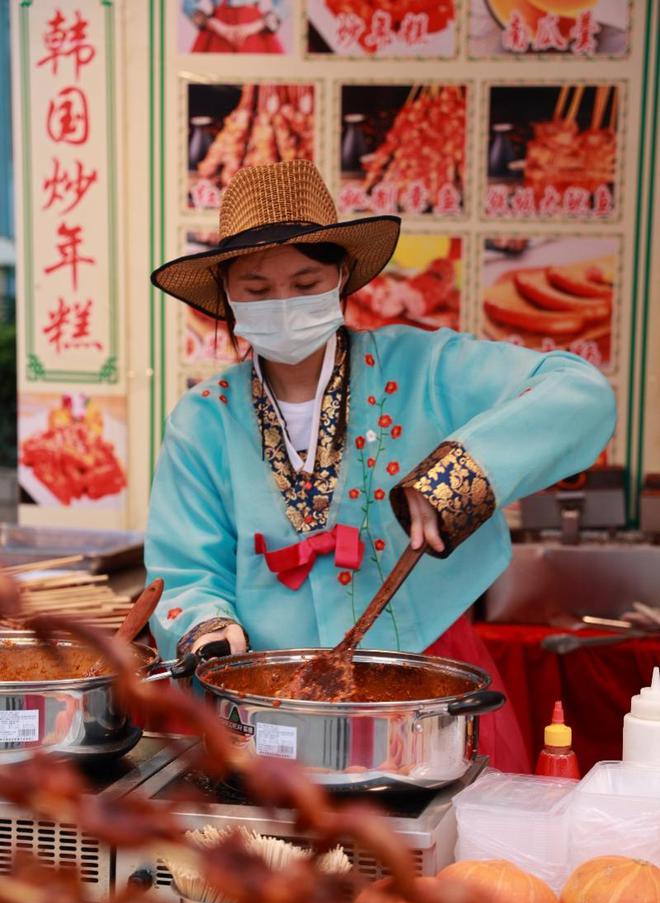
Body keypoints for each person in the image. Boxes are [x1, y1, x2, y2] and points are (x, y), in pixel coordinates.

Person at [147, 159, 616, 772]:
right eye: (258, 291)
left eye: (305, 281)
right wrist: (209, 627)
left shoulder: (424, 366)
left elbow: (580, 392)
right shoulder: (203, 418)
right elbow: (186, 567)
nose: (283, 304)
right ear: (229, 299)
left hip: (428, 674)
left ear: (341, 276)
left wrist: (458, 478)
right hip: (273, 698)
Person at [183, 0, 284, 54]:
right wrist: (216, 26)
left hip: (255, 35)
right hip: (217, 35)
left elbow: (285, 4)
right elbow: (187, 4)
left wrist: (256, 26)